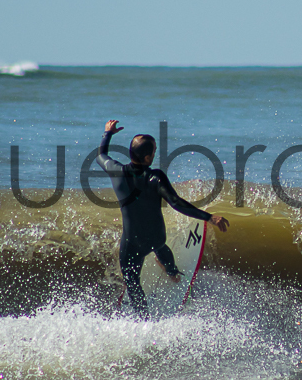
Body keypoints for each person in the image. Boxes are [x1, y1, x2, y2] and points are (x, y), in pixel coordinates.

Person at [95, 120, 229, 316]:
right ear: (147, 157)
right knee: (160, 247)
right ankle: (172, 272)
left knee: (132, 283)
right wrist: (209, 217)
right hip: (156, 237)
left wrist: (107, 133)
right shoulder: (156, 177)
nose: (155, 154)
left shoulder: (117, 172)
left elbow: (101, 156)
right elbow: (176, 203)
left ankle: (143, 319)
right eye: (154, 151)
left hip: (131, 242)